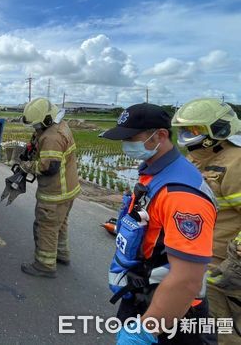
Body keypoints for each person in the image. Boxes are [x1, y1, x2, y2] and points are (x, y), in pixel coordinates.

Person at [101, 103, 217, 344]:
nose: (126, 145)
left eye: (131, 138)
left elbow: (187, 279)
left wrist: (146, 330)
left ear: (160, 136)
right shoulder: (155, 173)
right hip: (145, 293)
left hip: (172, 313)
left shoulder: (181, 195)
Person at [172, 98, 241, 344]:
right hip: (195, 261)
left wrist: (236, 260)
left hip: (222, 267)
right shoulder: (197, 159)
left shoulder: (236, 163)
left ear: (218, 130)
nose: (189, 136)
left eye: (195, 130)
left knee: (223, 332)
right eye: (186, 130)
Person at [18, 97, 81, 278]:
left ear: (46, 120)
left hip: (55, 193)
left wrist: (26, 166)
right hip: (69, 190)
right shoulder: (60, 126)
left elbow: (49, 167)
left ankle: (44, 265)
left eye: (37, 126)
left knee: (46, 226)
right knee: (59, 224)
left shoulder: (51, 137)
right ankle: (61, 254)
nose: (36, 129)